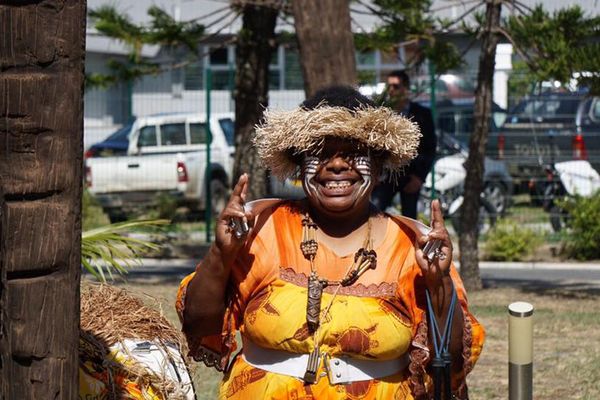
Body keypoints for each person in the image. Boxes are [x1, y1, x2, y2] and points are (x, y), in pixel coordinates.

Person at [176, 86, 484, 399]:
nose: (336, 164)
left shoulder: (414, 245)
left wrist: (438, 284)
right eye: (320, 151)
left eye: (352, 152)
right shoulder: (261, 229)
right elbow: (199, 324)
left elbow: (452, 360)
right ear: (298, 165)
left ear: (378, 166)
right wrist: (220, 255)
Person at [371, 70, 437, 218]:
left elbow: (429, 148)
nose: (391, 91)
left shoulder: (422, 114)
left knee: (409, 219)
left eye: (396, 86)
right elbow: (371, 146)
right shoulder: (381, 113)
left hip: (411, 175)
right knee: (373, 214)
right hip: (384, 177)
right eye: (388, 86)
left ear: (405, 88)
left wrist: (419, 177)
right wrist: (373, 174)